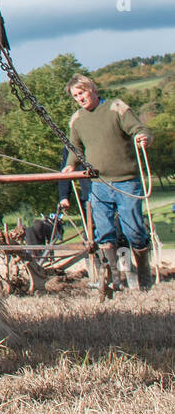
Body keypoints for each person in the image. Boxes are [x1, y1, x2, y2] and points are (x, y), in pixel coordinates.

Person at [60, 74, 154, 290]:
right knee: (103, 232)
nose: (80, 98)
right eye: (75, 96)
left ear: (91, 89)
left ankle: (144, 276)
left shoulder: (116, 108)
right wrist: (71, 165)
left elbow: (139, 128)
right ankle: (114, 281)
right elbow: (75, 148)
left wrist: (143, 137)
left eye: (82, 92)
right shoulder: (77, 119)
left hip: (126, 180)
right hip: (98, 184)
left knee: (134, 231)